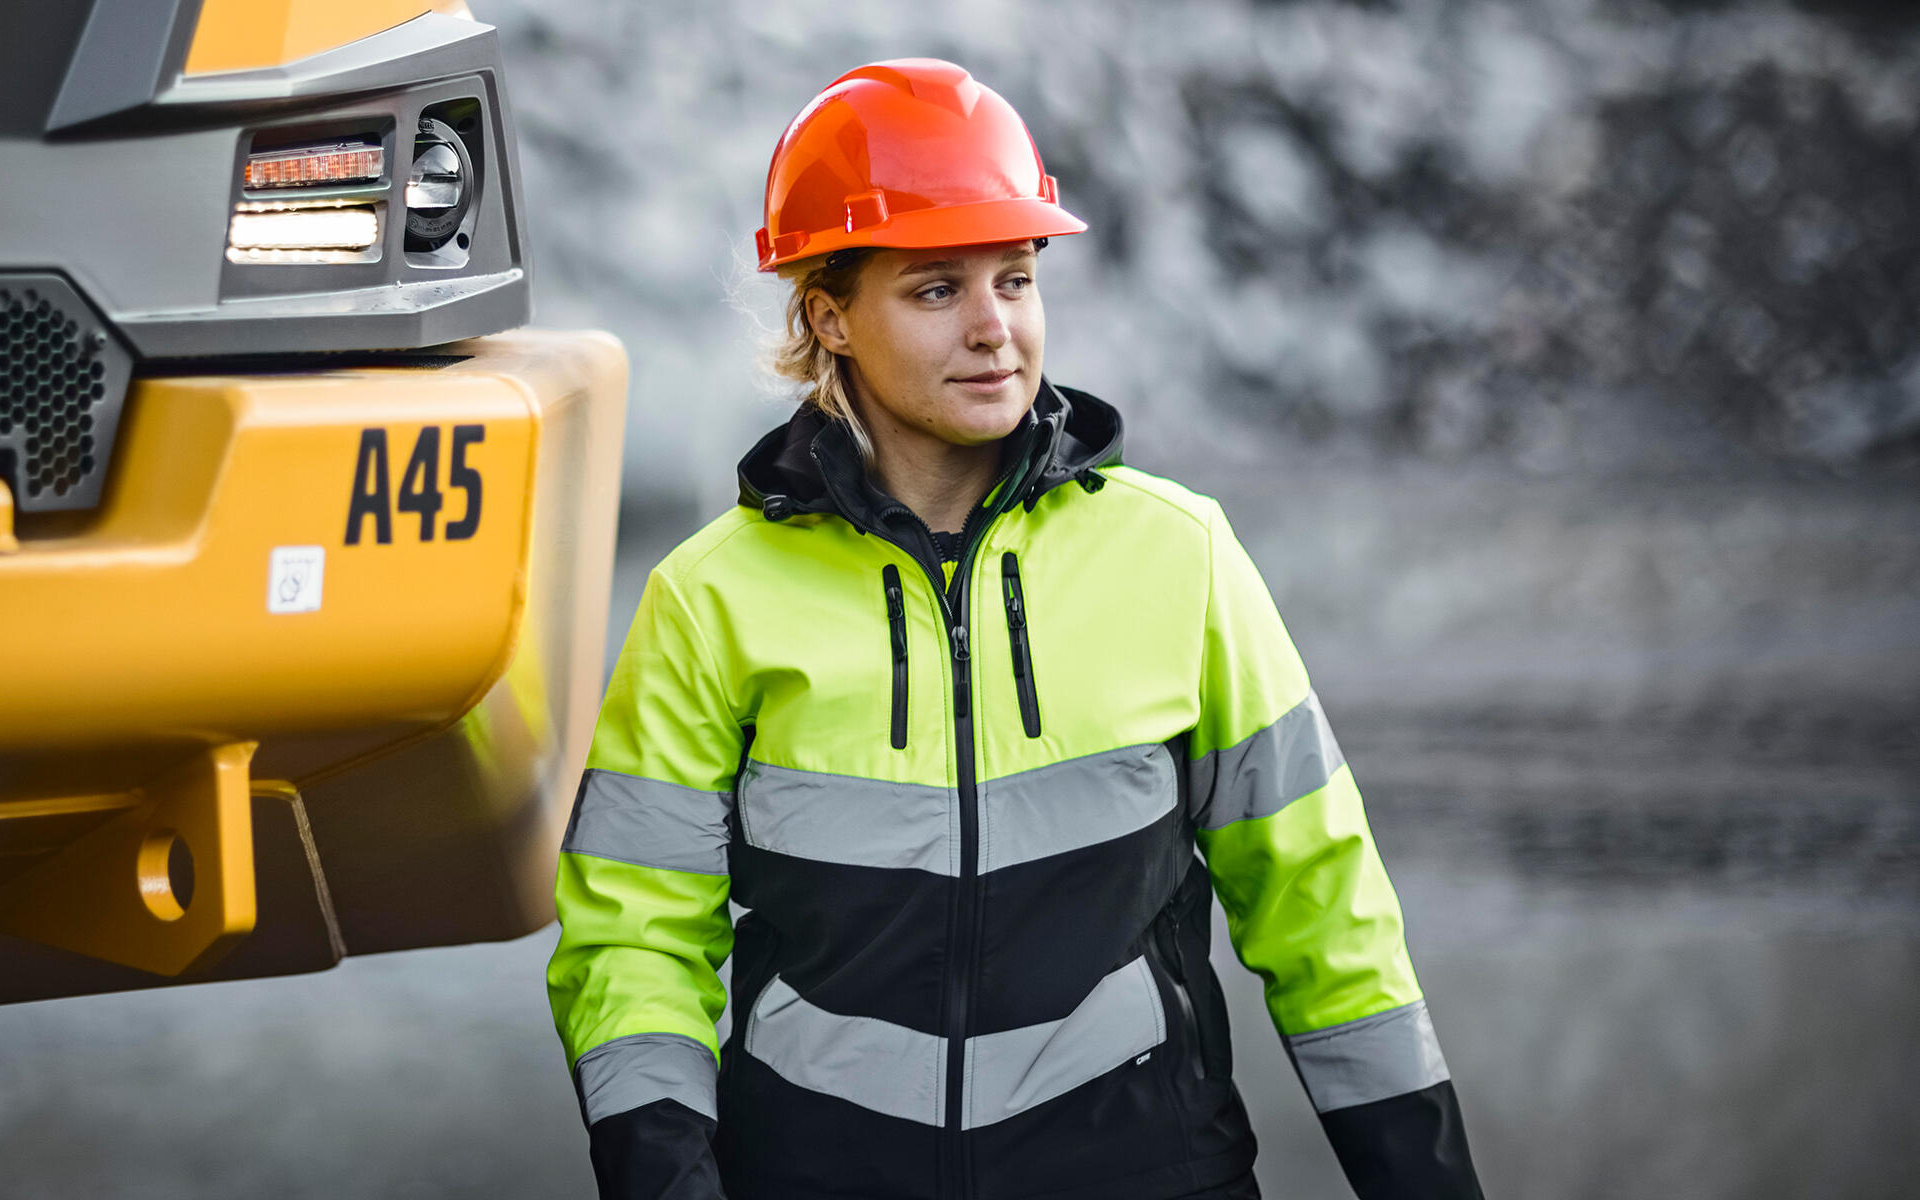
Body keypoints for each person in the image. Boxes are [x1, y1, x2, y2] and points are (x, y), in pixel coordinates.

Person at [545, 58, 1483, 1200]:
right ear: (829, 317)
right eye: (936, 289)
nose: (995, 329)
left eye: (1017, 279)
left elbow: (1325, 914)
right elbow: (632, 940)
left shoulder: (1176, 555)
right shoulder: (710, 600)